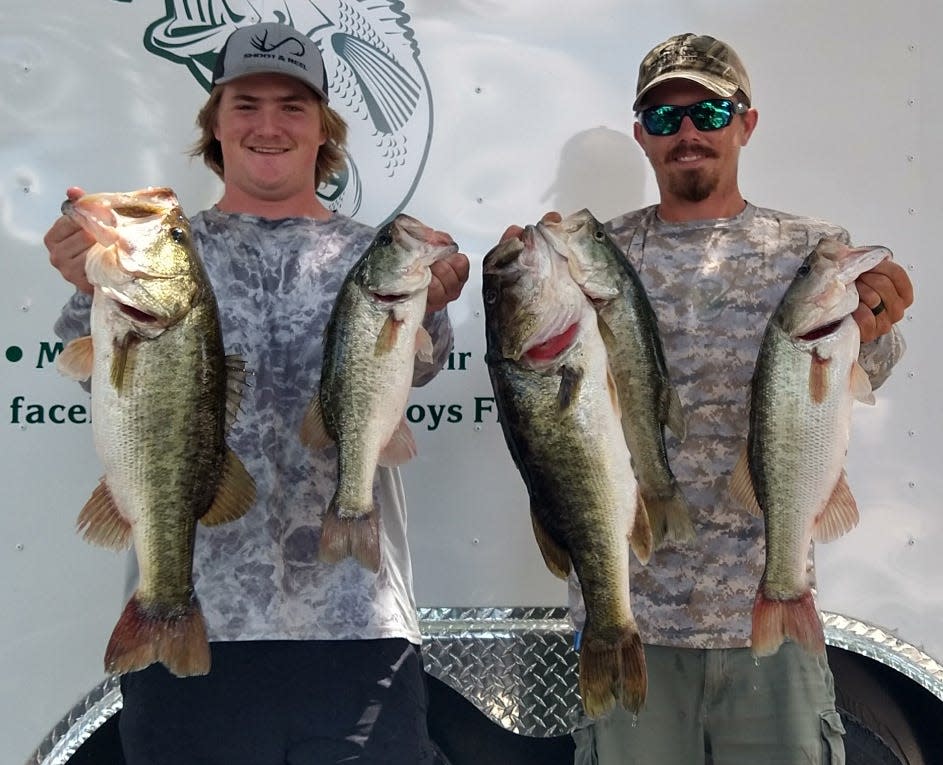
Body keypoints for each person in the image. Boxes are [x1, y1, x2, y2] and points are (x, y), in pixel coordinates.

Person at [44, 21, 469, 765]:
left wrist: (431, 304)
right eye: (245, 104)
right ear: (214, 125)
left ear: (323, 132)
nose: (267, 125)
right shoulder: (163, 249)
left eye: (292, 106)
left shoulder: (380, 257)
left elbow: (421, 371)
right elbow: (90, 357)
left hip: (357, 625)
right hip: (199, 625)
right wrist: (86, 269)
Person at [504, 32, 913, 764]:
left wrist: (877, 324)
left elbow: (864, 374)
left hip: (768, 623)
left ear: (744, 123)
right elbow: (536, 368)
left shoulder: (812, 248)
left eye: (708, 112)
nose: (687, 133)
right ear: (641, 135)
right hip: (633, 622)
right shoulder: (593, 257)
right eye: (663, 119)